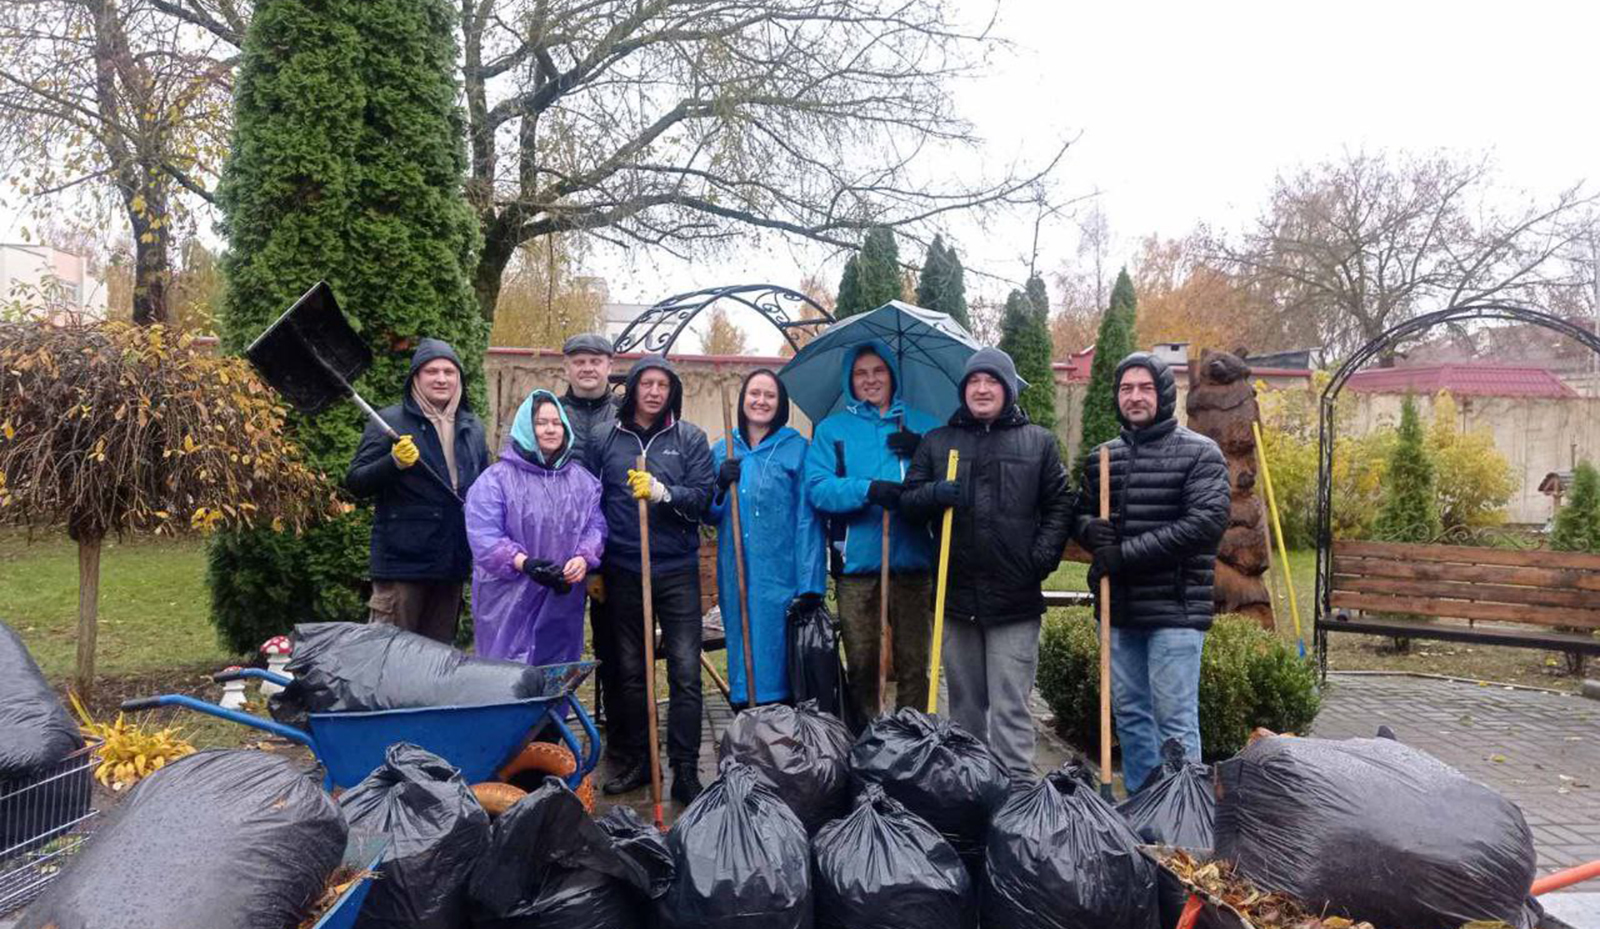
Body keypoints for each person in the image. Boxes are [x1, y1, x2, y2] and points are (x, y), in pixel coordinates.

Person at [902, 347, 1073, 776]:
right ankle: (971, 787)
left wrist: (1040, 560)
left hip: (1014, 599)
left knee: (1011, 704)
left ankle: (1016, 793)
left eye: (992, 381)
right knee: (963, 707)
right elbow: (908, 501)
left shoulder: (1038, 442)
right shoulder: (939, 442)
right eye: (974, 382)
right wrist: (935, 494)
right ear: (964, 391)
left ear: (1008, 389)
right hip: (955, 595)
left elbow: (1060, 506)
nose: (982, 389)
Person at [1073, 351, 1229, 793]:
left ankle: (1183, 815)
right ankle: (1142, 807)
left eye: (1145, 388)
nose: (1135, 397)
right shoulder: (1104, 457)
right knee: (1130, 714)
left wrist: (1125, 554)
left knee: (1175, 720)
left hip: (1174, 609)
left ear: (1163, 393)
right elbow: (1079, 515)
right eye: (1126, 389)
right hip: (1120, 608)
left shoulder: (1200, 453)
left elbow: (1204, 525)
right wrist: (1091, 530)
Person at [587, 355, 716, 803]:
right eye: (648, 383)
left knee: (684, 671)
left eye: (664, 384)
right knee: (631, 672)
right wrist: (594, 567)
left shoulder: (690, 438)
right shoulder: (606, 437)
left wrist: (664, 493)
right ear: (634, 388)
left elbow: (702, 499)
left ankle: (684, 769)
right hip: (623, 569)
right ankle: (641, 761)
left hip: (675, 569)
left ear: (672, 392)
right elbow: (588, 503)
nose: (655, 391)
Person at [804, 342, 940, 723]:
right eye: (861, 373)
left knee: (915, 664)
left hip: (913, 561)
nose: (871, 380)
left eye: (878, 371)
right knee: (862, 663)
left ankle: (913, 739)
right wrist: (867, 489)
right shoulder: (833, 430)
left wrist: (924, 448)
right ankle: (865, 739)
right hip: (858, 564)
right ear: (851, 380)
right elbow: (817, 487)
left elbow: (948, 478)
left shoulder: (923, 425)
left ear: (892, 376)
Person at [346, 338, 488, 644]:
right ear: (416, 378)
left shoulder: (471, 426)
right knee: (389, 656)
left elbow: (483, 487)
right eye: (431, 371)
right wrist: (392, 462)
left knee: (434, 663)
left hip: (451, 562)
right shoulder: (390, 422)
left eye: (449, 372)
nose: (441, 379)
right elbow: (355, 482)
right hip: (402, 563)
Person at [709, 369, 827, 709]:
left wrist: (810, 583)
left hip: (781, 575)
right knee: (742, 643)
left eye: (769, 395)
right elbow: (709, 514)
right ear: (743, 399)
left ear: (781, 404)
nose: (761, 401)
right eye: (754, 394)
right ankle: (748, 717)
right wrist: (719, 484)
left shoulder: (797, 449)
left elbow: (808, 520)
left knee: (777, 651)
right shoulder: (724, 449)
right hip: (737, 570)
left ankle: (782, 723)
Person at [464, 389, 607, 666]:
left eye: (556, 422)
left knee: (556, 669)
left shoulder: (583, 482)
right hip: (507, 600)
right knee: (505, 673)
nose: (550, 429)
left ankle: (554, 711)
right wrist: (524, 563)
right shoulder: (495, 480)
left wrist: (583, 557)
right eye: (541, 423)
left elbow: (595, 526)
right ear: (525, 428)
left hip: (561, 599)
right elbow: (485, 537)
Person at [560, 333, 619, 472]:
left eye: (595, 362)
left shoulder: (626, 413)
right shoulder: (550, 412)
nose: (587, 369)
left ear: (609, 366)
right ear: (566, 367)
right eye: (579, 362)